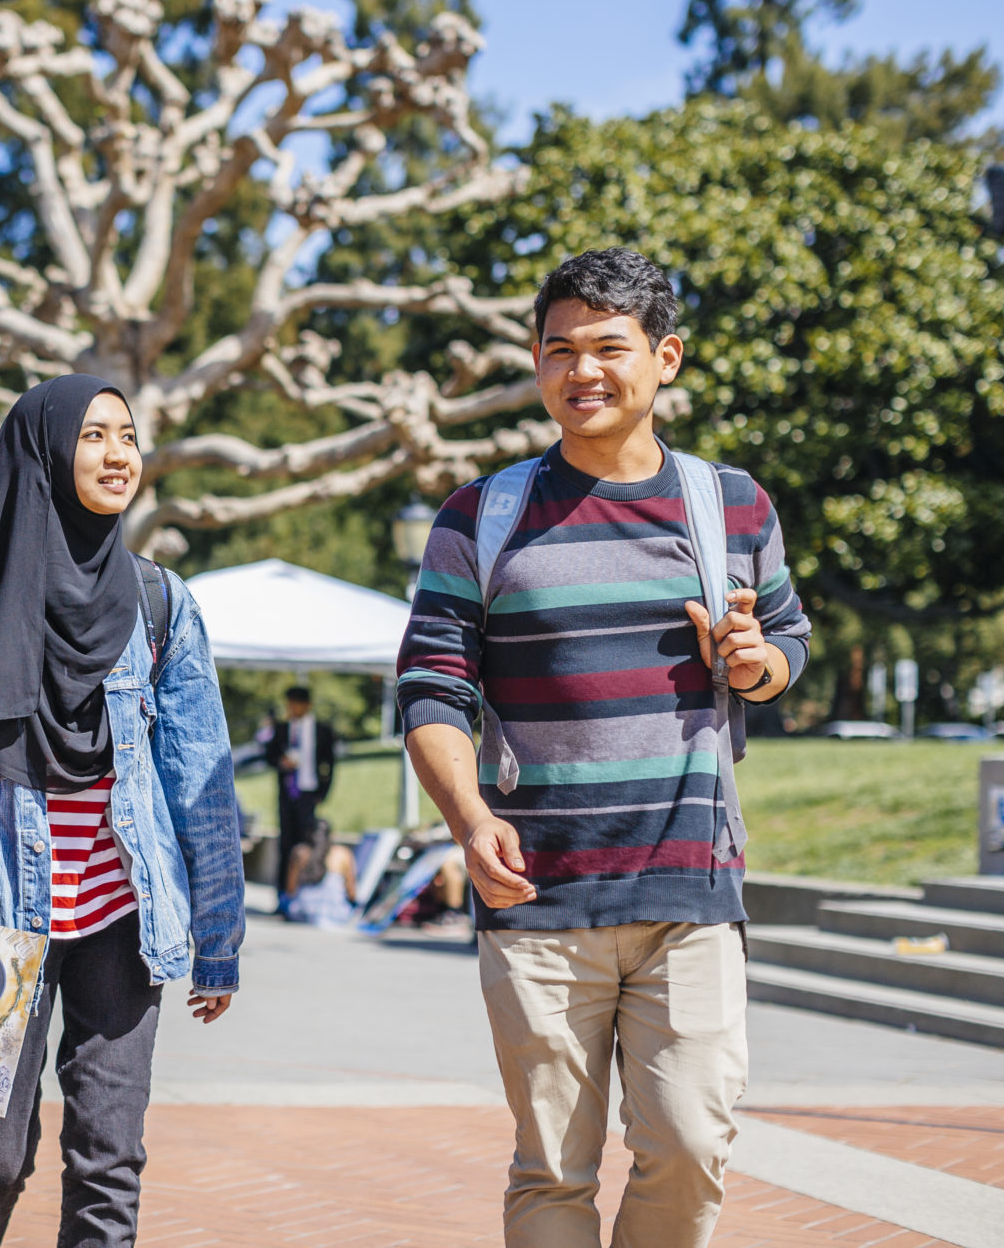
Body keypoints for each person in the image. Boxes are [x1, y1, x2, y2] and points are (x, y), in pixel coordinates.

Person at [396, 248, 811, 1247]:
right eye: (557, 349)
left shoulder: (731, 507)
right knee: (552, 1171)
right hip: (535, 898)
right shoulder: (480, 515)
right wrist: (466, 818)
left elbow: (786, 643)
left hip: (690, 893)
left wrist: (756, 663)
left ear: (663, 357)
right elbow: (427, 687)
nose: (579, 371)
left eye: (606, 348)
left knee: (690, 1143)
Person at [0, 374, 245, 1248]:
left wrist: (218, 942)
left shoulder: (161, 604)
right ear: (43, 450)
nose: (119, 455)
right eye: (94, 436)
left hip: (123, 918)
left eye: (129, 436)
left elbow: (202, 783)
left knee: (109, 1156)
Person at [262, 684, 335, 893]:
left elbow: (329, 763)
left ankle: (304, 890)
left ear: (307, 705)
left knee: (307, 841)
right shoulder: (282, 728)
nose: (292, 708)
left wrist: (322, 792)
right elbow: (268, 756)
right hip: (287, 792)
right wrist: (281, 762)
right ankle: (283, 892)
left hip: (308, 792)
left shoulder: (321, 730)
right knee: (285, 842)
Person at [282, 819, 359, 929]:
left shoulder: (300, 852)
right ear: (332, 835)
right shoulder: (343, 853)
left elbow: (290, 890)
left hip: (303, 912)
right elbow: (351, 892)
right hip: (336, 914)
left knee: (283, 901)